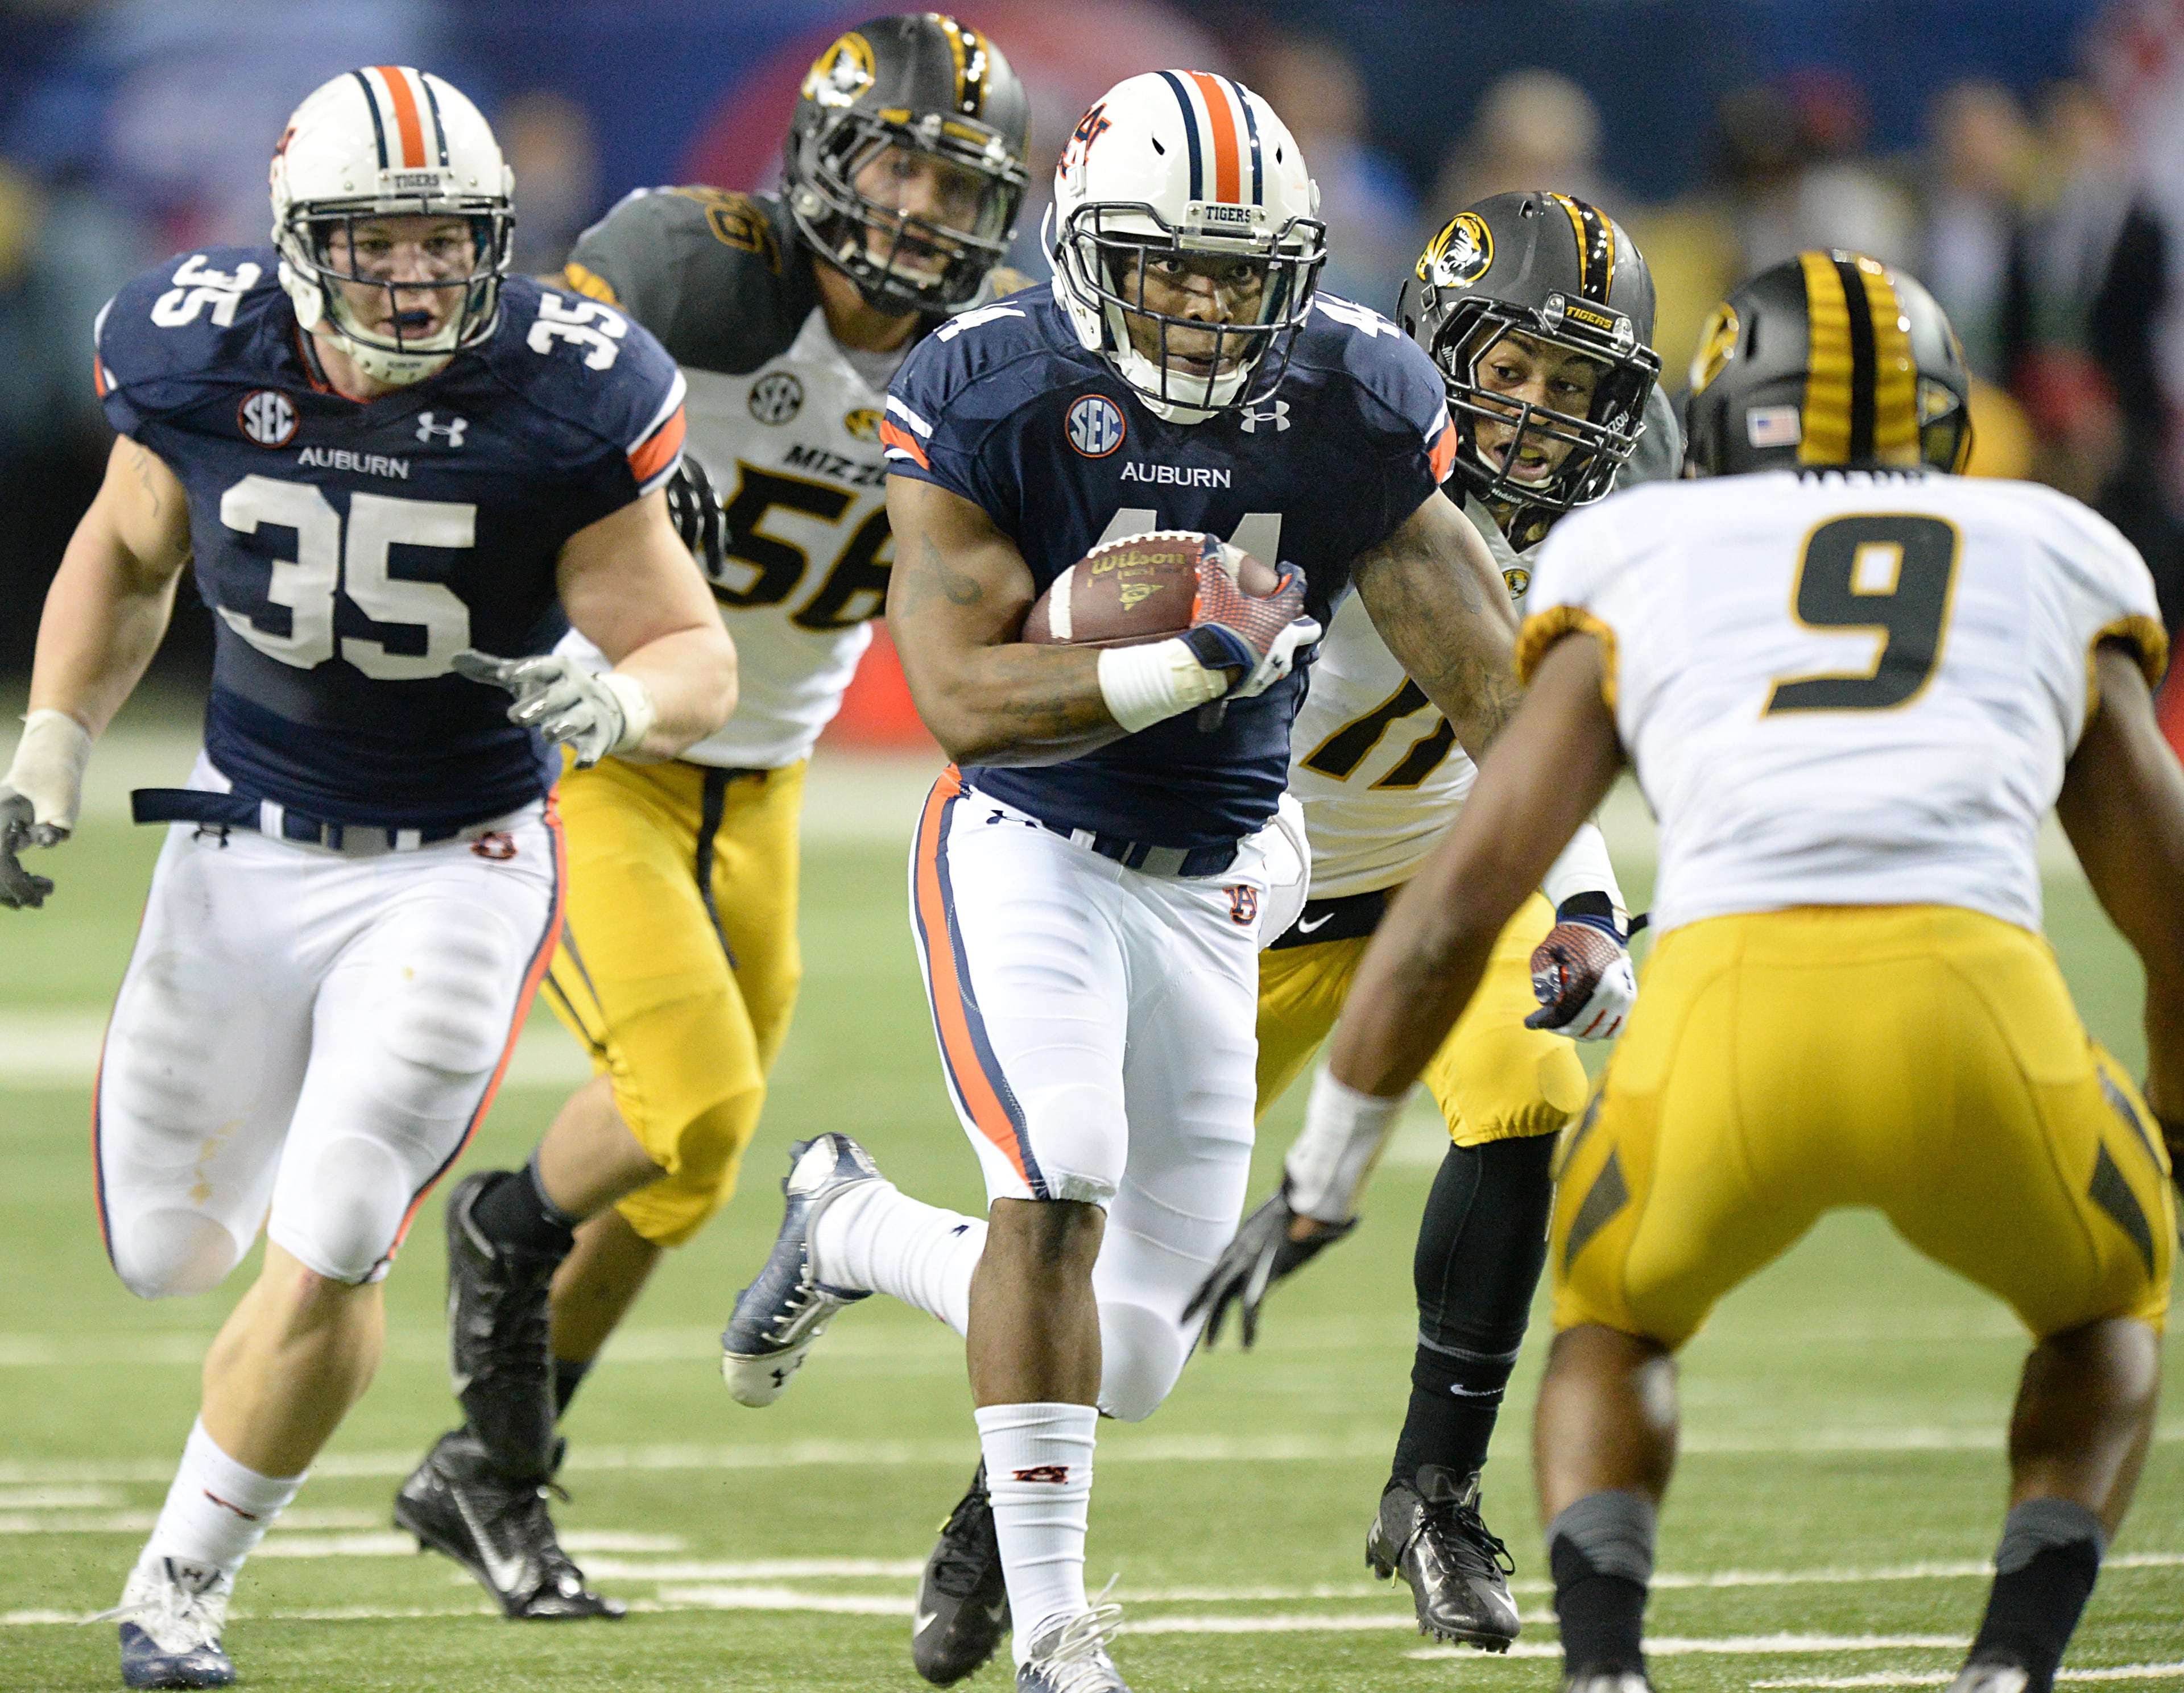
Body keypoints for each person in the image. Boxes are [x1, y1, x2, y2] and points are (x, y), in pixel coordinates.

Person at [719, 69, 1531, 1693]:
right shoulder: (990, 386)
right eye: (1169, 263)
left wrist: (1582, 892)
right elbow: (959, 696)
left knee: (1141, 1351)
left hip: (1229, 872)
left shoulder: (1353, 393)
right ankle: (1056, 1631)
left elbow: (1501, 696)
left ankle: (855, 1224)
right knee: (1064, 1172)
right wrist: (1181, 664)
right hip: (1035, 839)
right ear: (1088, 251)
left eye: (1241, 270)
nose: (1208, 300)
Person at [1310, 250, 2176, 1693]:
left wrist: (1328, 1167)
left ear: (1711, 416)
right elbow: (2170, 902)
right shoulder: (2055, 544)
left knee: (1608, 1321)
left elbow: (1477, 878)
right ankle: (2014, 1659)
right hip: (1977, 997)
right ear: (1949, 421)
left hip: (1728, 1008)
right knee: (2105, 1310)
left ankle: (1606, 1665)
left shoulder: (1634, 553)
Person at [0, 67, 734, 1690]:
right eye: (375, 241)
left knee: (337, 1226)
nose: (414, 276)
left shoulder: (567, 393)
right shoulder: (196, 346)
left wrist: (622, 700)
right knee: (166, 1249)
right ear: (294, 244)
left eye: (445, 242)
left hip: (456, 864)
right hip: (241, 848)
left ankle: (181, 1583)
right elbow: (128, 551)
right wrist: (54, 735)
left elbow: (691, 645)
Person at [388, 14, 1033, 1621]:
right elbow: (511, 400)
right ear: (822, 157)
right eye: (897, 164)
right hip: (592, 745)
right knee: (685, 1089)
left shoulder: (980, 365)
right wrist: (601, 464)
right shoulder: (695, 275)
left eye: (962, 189)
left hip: (764, 778)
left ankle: (489, 1468)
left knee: (693, 1162)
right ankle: (503, 1227)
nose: (923, 214)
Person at [1184, 191, 1675, 1655]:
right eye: (1509, 368)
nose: (1534, 413)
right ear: (1432, 348)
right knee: (1129, 1251)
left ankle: (1437, 1497)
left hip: (1434, 898)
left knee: (1530, 1085)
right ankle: (997, 1498)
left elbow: (1537, 742)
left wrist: (1587, 903)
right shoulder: (1318, 463)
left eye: (1573, 385)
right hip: (1228, 904)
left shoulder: (1620, 521)